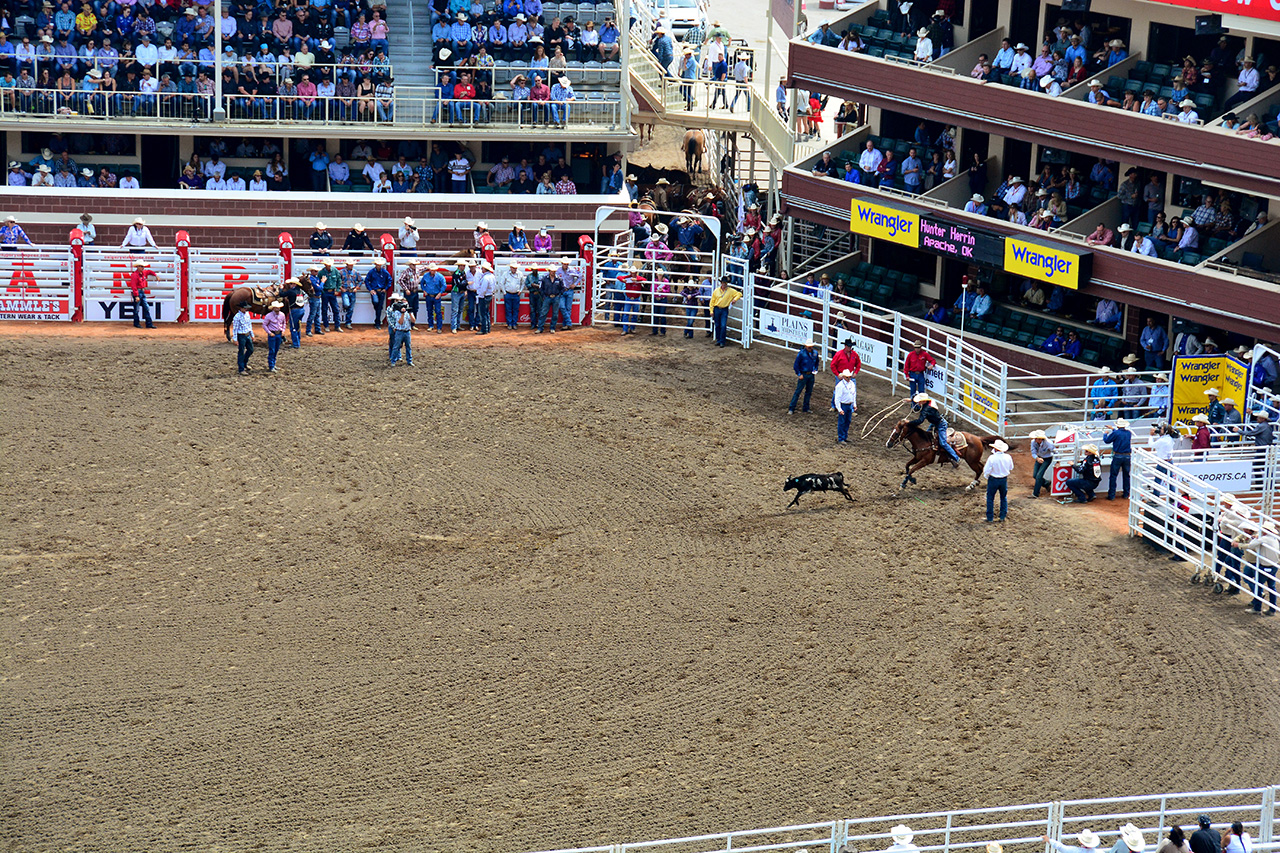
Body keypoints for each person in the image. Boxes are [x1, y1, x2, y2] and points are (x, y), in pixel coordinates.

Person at [909, 393, 961, 467]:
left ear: (923, 401)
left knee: (943, 442)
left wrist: (909, 423)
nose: (918, 403)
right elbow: (917, 408)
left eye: (919, 401)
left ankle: (956, 458)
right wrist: (911, 401)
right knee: (927, 436)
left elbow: (920, 420)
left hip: (940, 425)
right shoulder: (929, 404)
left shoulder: (926, 409)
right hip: (935, 423)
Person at [983, 439, 1013, 522]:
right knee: (1003, 497)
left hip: (993, 479)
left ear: (995, 449)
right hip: (1003, 479)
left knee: (990, 498)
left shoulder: (992, 458)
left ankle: (990, 518)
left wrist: (986, 476)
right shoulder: (1008, 457)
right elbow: (1011, 467)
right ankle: (1002, 516)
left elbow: (987, 470)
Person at [828, 368, 860, 444]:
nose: (849, 378)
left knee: (847, 421)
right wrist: (839, 409)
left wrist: (854, 405)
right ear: (844, 377)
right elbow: (837, 398)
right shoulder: (840, 386)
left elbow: (853, 395)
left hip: (849, 405)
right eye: (847, 377)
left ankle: (844, 437)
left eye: (849, 377)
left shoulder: (852, 384)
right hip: (843, 405)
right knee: (842, 422)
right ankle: (841, 438)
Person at [789, 339, 820, 415]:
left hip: (811, 374)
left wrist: (815, 369)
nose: (810, 347)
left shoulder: (815, 353)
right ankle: (791, 408)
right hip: (804, 374)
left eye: (811, 346)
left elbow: (817, 363)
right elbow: (796, 365)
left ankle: (805, 408)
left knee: (808, 392)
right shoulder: (801, 354)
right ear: (806, 346)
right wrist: (799, 374)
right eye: (809, 346)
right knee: (798, 391)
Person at [1103, 419, 1132, 500]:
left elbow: (1107, 441)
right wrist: (1113, 429)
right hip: (1127, 456)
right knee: (1126, 476)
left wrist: (1105, 434)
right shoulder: (1128, 433)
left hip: (1118, 456)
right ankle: (1126, 494)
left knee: (1113, 475)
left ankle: (1111, 495)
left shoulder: (1116, 433)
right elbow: (1119, 434)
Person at [708, 278, 741, 347]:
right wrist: (711, 310)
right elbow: (712, 301)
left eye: (725, 283)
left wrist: (735, 299)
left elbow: (739, 294)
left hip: (724, 309)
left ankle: (721, 340)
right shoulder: (716, 291)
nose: (724, 284)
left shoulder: (730, 291)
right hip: (717, 308)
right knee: (717, 325)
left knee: (722, 325)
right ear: (721, 283)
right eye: (723, 282)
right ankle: (719, 340)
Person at [129, 259, 158, 329]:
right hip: (138, 292)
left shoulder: (143, 273)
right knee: (137, 309)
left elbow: (149, 271)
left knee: (145, 308)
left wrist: (155, 275)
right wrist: (136, 296)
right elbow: (133, 286)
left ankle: (148, 323)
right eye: (141, 266)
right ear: (138, 267)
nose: (143, 268)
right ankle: (138, 323)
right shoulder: (134, 275)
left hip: (141, 291)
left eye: (143, 266)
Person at [387, 293, 415, 365]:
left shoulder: (407, 312)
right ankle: (393, 359)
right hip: (398, 330)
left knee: (407, 346)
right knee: (395, 345)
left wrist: (409, 313)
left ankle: (408, 360)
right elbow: (399, 322)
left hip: (406, 330)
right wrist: (402, 313)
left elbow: (413, 320)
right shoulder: (395, 311)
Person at [365, 256, 391, 328]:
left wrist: (385, 288)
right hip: (375, 291)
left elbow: (389, 280)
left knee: (379, 307)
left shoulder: (385, 272)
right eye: (377, 264)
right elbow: (367, 280)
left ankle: (377, 322)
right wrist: (370, 289)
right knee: (377, 303)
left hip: (381, 291)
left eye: (379, 265)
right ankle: (377, 321)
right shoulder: (372, 272)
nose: (378, 266)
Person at [262, 300, 286, 372]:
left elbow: (284, 323)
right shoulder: (269, 316)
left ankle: (273, 364)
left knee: (276, 350)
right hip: (272, 334)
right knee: (272, 350)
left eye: (278, 307)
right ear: (273, 308)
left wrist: (283, 331)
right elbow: (264, 325)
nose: (277, 308)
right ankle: (271, 365)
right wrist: (269, 332)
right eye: (276, 307)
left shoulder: (282, 315)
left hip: (279, 333)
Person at [1029, 429, 1053, 498]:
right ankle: (1046, 483)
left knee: (1039, 476)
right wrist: (1037, 458)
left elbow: (1054, 451)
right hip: (1039, 457)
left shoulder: (1048, 443)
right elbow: (1033, 452)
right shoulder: (1033, 442)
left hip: (1047, 458)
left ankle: (1035, 493)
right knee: (1035, 475)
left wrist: (1058, 461)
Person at [232, 302, 255, 374]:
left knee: (251, 349)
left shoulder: (247, 314)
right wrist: (235, 339)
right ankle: (241, 368)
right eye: (245, 308)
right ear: (241, 308)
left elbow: (249, 325)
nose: (246, 309)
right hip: (241, 335)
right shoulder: (237, 316)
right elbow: (235, 328)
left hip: (247, 334)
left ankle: (244, 363)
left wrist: (252, 334)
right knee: (241, 351)